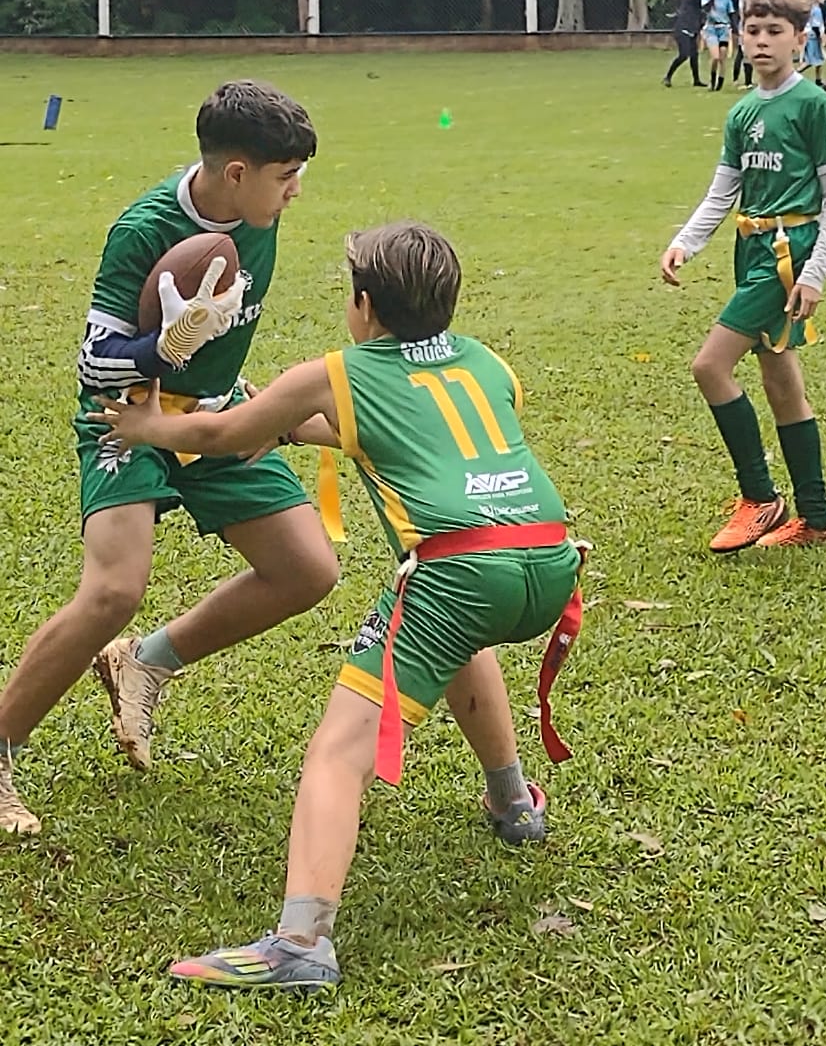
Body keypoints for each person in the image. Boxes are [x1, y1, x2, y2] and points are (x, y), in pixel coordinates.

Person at [88, 221, 586, 991]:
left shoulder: (336, 370)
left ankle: (300, 942)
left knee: (338, 751)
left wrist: (151, 425)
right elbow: (396, 428)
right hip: (548, 565)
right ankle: (512, 800)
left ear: (362, 303)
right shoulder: (487, 363)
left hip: (458, 575)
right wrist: (292, 426)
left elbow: (222, 434)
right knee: (464, 638)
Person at [0, 81, 340, 836]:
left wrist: (246, 403)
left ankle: (144, 663)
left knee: (307, 569)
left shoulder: (255, 208)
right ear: (237, 173)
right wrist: (165, 348)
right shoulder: (145, 229)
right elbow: (96, 362)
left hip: (213, 417)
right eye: (285, 180)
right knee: (112, 589)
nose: (294, 197)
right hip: (130, 417)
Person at [659, 0, 826, 552]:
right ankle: (815, 520)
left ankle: (760, 499)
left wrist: (815, 272)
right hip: (753, 251)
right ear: (739, 35)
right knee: (781, 382)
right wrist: (685, 243)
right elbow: (725, 191)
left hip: (790, 256)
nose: (762, 41)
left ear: (799, 37)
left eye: (775, 32)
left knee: (710, 367)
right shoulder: (742, 111)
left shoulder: (814, 105)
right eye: (753, 31)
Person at [663, 0, 708, 88]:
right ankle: (667, 77)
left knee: (694, 55)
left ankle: (696, 80)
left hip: (692, 28)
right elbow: (705, 1)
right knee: (684, 54)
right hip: (683, 29)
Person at [701, 0, 736, 91]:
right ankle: (712, 80)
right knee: (715, 57)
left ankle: (720, 82)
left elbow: (731, 13)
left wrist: (734, 29)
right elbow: (705, 9)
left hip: (723, 28)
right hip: (711, 28)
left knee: (722, 56)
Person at [732, 0, 759, 89]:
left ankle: (746, 80)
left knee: (744, 52)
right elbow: (743, 8)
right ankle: (738, 78)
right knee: (743, 52)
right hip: (746, 24)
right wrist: (745, 25)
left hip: (749, 24)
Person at [799, 0, 826, 84]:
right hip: (813, 35)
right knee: (810, 60)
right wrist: (820, 35)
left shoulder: (813, 9)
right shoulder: (815, 10)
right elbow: (816, 24)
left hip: (812, 34)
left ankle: (818, 79)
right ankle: (795, 73)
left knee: (819, 59)